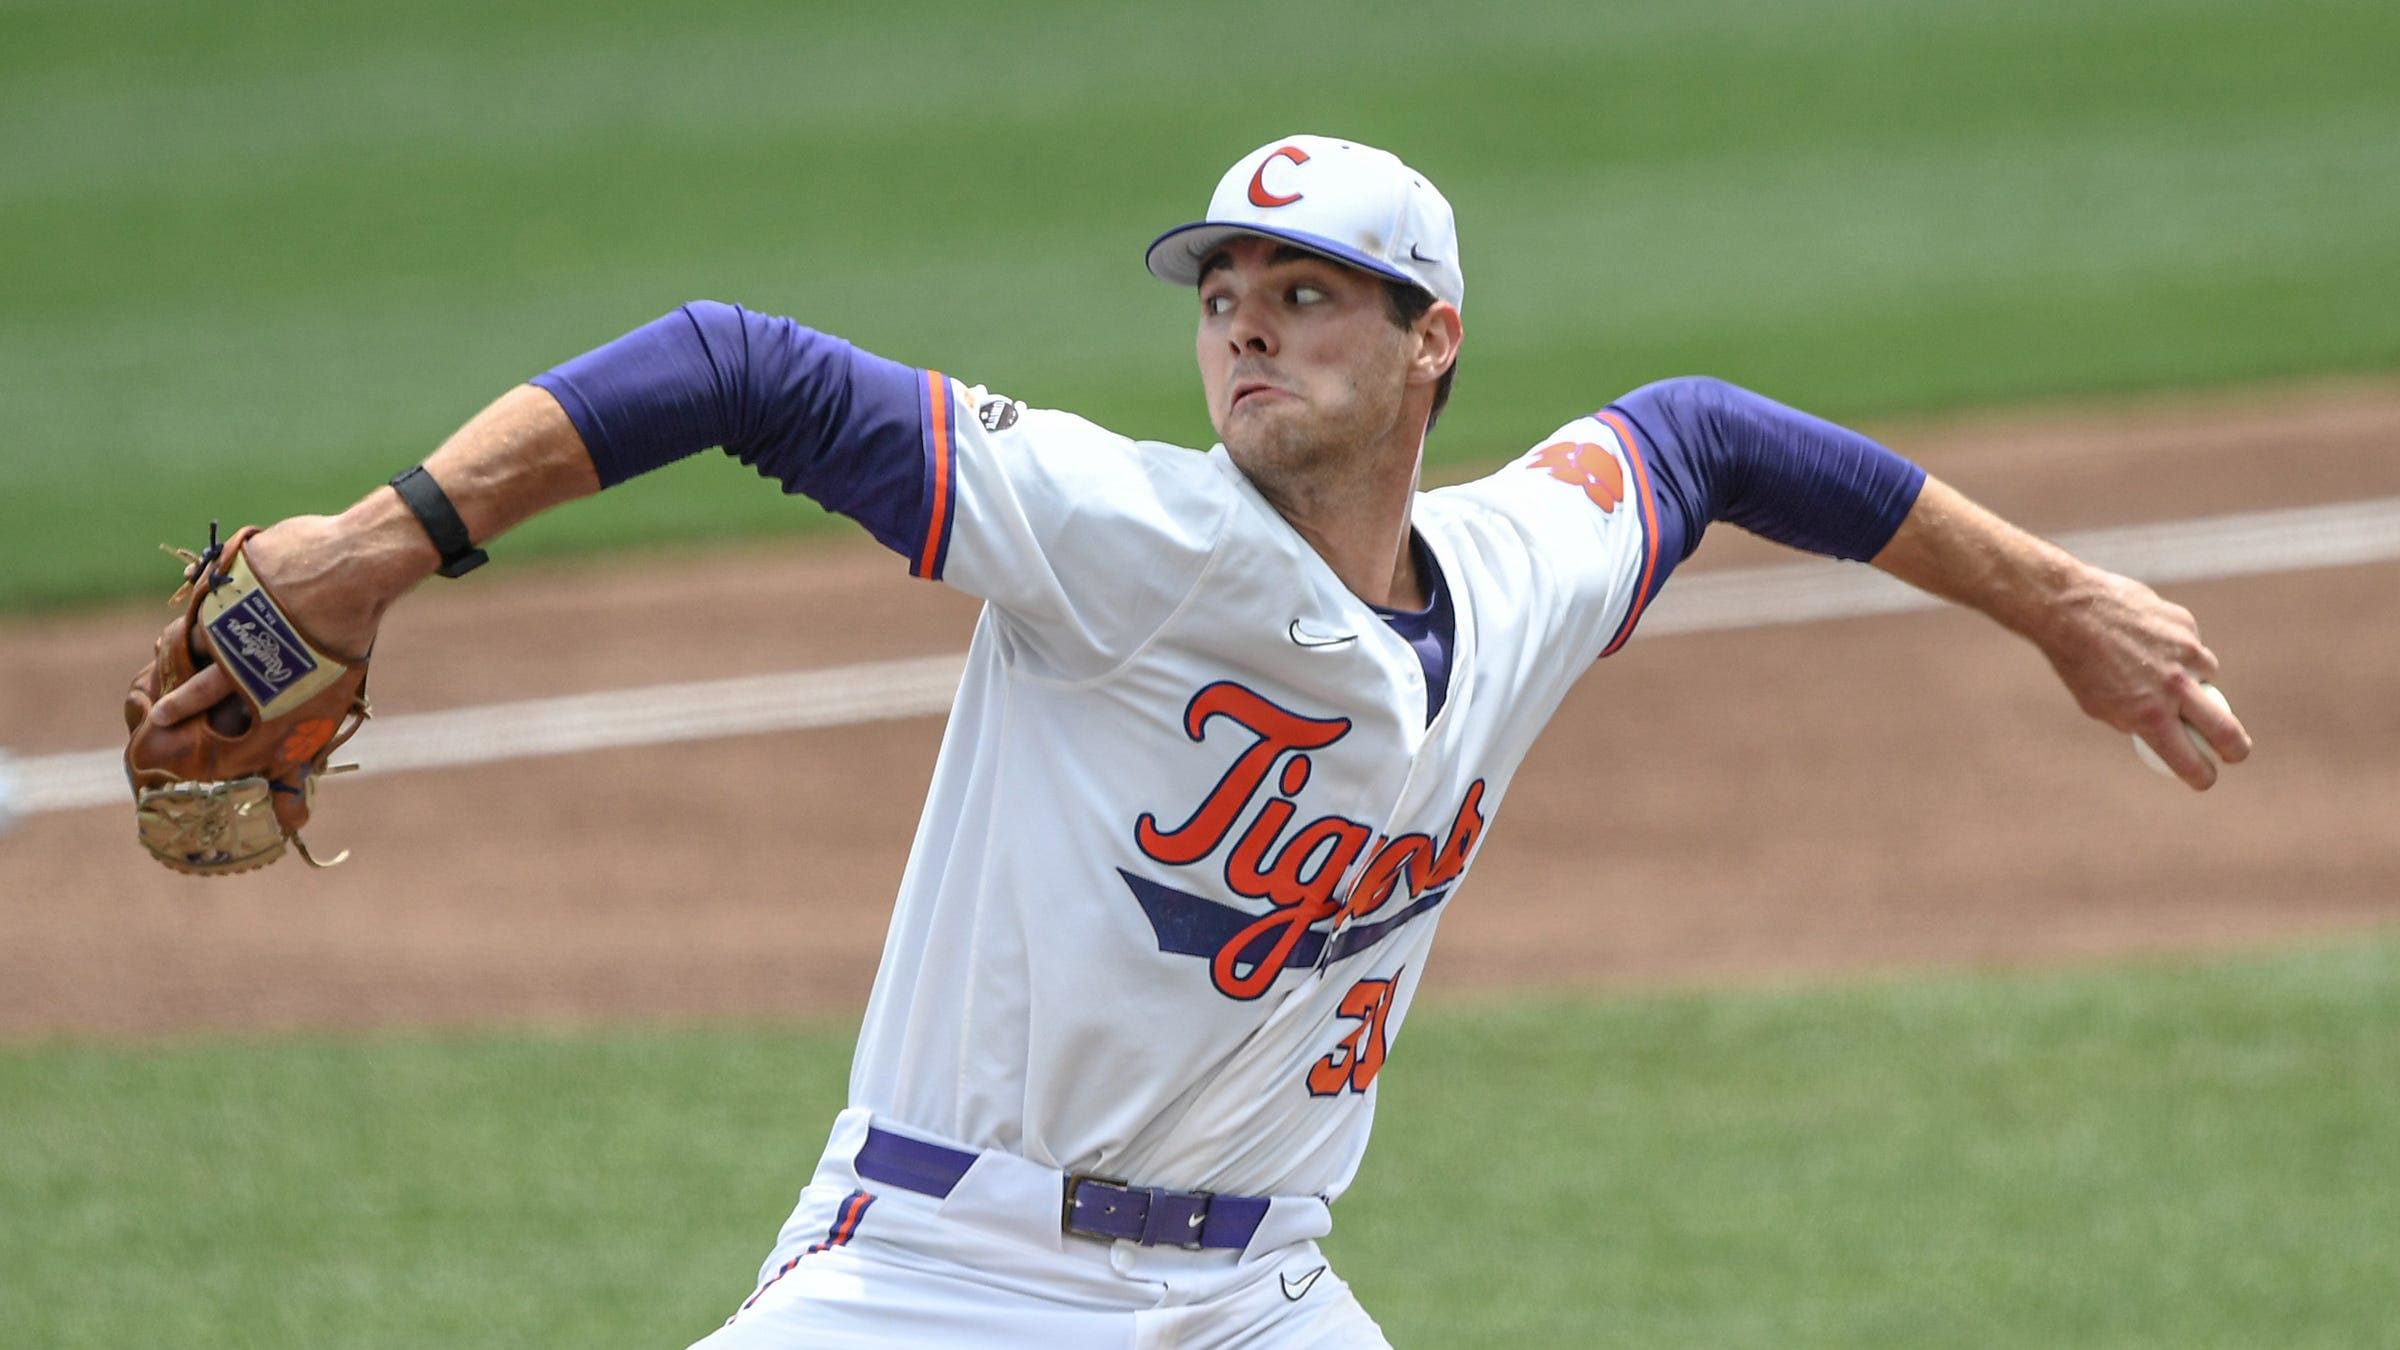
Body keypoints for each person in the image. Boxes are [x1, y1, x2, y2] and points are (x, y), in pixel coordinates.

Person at [139, 135, 2251, 1346]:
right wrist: (390, 544)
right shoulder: (1115, 531)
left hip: (1260, 1299)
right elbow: (734, 366)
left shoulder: (1519, 571)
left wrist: (2062, 606)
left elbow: (1710, 440)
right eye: (1226, 285)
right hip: (948, 1279)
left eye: (1312, 289)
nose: (1247, 315)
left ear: (1434, 344)